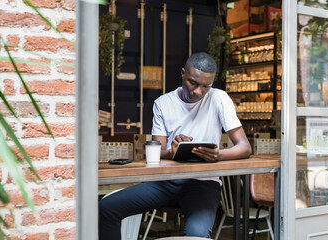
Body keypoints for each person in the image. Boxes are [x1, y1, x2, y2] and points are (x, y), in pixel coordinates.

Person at [99, 52, 251, 239]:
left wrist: (218, 155)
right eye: (193, 83)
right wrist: (172, 151)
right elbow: (157, 152)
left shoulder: (219, 98)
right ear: (182, 73)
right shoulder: (163, 103)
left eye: (206, 86)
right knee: (105, 209)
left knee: (197, 235)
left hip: (203, 182)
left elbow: (245, 147)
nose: (198, 91)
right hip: (165, 181)